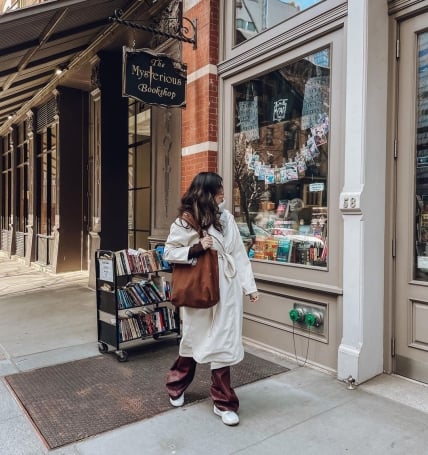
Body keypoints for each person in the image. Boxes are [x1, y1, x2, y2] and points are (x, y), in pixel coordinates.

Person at [164, 172, 259, 426]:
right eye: (219, 189)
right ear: (207, 191)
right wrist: (198, 247)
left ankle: (223, 401)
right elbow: (169, 253)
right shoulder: (185, 221)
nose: (223, 193)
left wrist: (249, 287)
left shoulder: (226, 218)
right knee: (195, 339)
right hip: (201, 288)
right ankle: (176, 384)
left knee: (223, 342)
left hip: (227, 289)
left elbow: (238, 253)